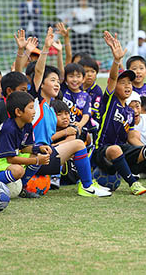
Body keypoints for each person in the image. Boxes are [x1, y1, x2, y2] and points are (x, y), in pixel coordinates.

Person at [29, 27, 110, 197]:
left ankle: (84, 183)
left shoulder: (52, 109)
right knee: (79, 144)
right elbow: (38, 71)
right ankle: (86, 186)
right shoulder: (36, 102)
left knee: (78, 142)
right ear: (41, 84)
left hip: (45, 154)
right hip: (34, 157)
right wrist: (45, 48)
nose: (57, 84)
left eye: (58, 81)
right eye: (52, 81)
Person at [92, 31, 146, 195]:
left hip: (122, 151)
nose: (127, 86)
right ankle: (133, 184)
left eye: (130, 83)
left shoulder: (129, 112)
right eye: (123, 82)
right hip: (101, 151)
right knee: (115, 149)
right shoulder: (110, 102)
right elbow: (112, 78)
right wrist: (116, 60)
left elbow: (132, 136)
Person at [0, 92, 52, 196]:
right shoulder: (8, 129)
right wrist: (37, 160)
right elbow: (10, 159)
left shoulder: (27, 125)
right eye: (31, 108)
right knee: (18, 170)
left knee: (36, 156)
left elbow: (24, 148)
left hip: (3, 158)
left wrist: (40, 148)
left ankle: (21, 188)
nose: (34, 112)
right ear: (18, 112)